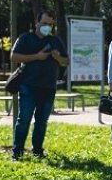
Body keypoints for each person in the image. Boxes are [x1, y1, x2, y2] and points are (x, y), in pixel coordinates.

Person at [10, 11, 69, 160]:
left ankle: (37, 151)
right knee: (24, 119)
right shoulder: (25, 38)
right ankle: (17, 153)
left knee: (42, 122)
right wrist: (37, 56)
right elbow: (13, 57)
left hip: (49, 87)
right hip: (28, 86)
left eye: (50, 24)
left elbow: (66, 61)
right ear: (37, 23)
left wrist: (57, 57)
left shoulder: (56, 41)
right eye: (44, 23)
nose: (47, 27)